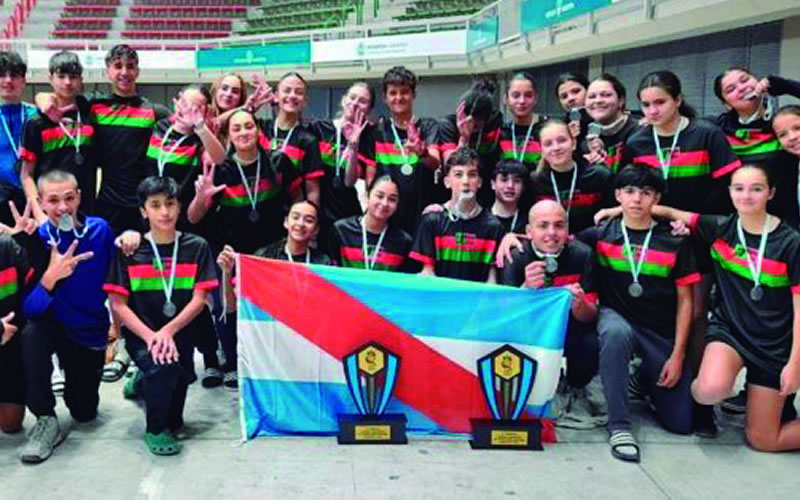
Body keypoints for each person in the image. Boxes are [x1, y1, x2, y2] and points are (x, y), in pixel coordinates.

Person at [652, 164, 800, 451]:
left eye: (756, 189)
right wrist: (614, 210)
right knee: (709, 390)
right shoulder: (721, 228)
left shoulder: (791, 244)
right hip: (730, 333)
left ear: (771, 193)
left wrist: (795, 364)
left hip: (775, 346)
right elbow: (667, 212)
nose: (746, 196)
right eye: (739, 188)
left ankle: (772, 406)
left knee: (763, 440)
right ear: (730, 192)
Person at [583, 165, 701, 463]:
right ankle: (619, 425)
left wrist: (677, 356)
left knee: (681, 423)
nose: (637, 199)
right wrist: (511, 238)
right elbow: (554, 240)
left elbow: (686, 303)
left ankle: (642, 379)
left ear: (656, 199)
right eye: (630, 191)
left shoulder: (675, 241)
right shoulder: (600, 234)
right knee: (615, 332)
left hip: (657, 330)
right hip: (615, 318)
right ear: (617, 195)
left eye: (646, 193)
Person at [105, 176, 218, 455]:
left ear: (179, 207)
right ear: (143, 211)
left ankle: (142, 382)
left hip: (180, 333)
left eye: (170, 203)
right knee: (162, 371)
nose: (164, 212)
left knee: (177, 412)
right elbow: (118, 304)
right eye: (155, 205)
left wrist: (169, 331)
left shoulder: (197, 246)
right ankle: (154, 429)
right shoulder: (129, 251)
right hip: (142, 334)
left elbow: (200, 299)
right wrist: (152, 337)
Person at [16, 170, 114, 464]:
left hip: (88, 330)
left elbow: (118, 282)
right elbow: (29, 310)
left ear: (79, 197)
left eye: (69, 198)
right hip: (53, 325)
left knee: (84, 412)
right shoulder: (38, 240)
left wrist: (130, 238)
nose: (63, 207)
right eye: (53, 200)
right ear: (41, 203)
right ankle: (44, 417)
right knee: (31, 334)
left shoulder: (100, 231)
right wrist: (49, 279)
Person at [501, 200, 600, 424]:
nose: (552, 233)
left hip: (569, 326)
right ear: (529, 231)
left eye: (559, 225)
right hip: (530, 328)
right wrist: (526, 289)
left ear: (568, 229)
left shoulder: (583, 255)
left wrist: (579, 304)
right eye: (543, 225)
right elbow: (508, 316)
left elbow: (590, 315)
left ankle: (576, 388)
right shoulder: (516, 256)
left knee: (589, 342)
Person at [216, 200, 330, 388]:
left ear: (316, 229)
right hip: (270, 344)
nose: (300, 224)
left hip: (308, 345)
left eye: (308, 220)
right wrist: (227, 274)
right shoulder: (263, 257)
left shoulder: (323, 263)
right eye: (295, 217)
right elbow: (231, 307)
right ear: (286, 222)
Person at [188, 109, 304, 255]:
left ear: (258, 131)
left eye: (249, 127)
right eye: (236, 129)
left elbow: (297, 197)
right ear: (229, 136)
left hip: (274, 250)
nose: (243, 133)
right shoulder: (220, 171)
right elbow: (193, 218)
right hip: (232, 253)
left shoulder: (279, 161)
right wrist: (201, 197)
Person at [713, 67, 800, 228]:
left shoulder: (784, 124)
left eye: (745, 80)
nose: (741, 88)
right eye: (731, 89)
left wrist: (787, 86)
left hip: (787, 224)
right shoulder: (717, 130)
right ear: (726, 104)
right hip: (740, 224)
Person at [21, 51, 95, 222]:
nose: (67, 82)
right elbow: (26, 175)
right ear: (50, 78)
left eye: (73, 77)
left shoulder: (89, 114)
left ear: (81, 79)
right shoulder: (36, 122)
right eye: (61, 76)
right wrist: (39, 213)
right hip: (50, 214)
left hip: (84, 213)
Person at [411, 147, 503, 283]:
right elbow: (428, 273)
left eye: (472, 175)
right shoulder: (432, 220)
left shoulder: (493, 226)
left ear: (479, 182)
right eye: (458, 175)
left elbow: (492, 279)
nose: (465, 181)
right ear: (447, 182)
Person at [369, 66, 441, 234]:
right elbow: (369, 178)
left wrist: (421, 152)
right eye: (393, 93)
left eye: (404, 92)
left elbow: (435, 163)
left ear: (414, 94)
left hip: (421, 213)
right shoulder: (377, 131)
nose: (399, 98)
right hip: (387, 215)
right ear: (384, 97)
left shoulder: (428, 126)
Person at [143, 85, 225, 222]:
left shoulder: (202, 139)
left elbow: (220, 159)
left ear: (205, 112)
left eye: (196, 108)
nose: (188, 110)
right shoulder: (159, 126)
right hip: (153, 212)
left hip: (183, 216)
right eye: (185, 103)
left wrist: (200, 126)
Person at [310, 81, 373, 253]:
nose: (355, 103)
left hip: (347, 214)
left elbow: (349, 181)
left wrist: (353, 146)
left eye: (362, 101)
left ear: (369, 109)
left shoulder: (368, 137)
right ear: (344, 100)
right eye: (352, 97)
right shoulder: (319, 129)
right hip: (320, 213)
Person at [530, 119, 613, 235]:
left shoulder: (599, 176)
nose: (556, 148)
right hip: (550, 241)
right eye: (548, 144)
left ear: (573, 143)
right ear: (541, 149)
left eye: (562, 140)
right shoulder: (535, 181)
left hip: (592, 242)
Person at [256, 72, 323, 206]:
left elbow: (312, 190)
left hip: (290, 211)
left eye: (298, 92)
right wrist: (253, 107)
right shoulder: (260, 128)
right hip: (257, 205)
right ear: (276, 95)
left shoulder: (308, 141)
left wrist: (310, 214)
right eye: (287, 90)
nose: (292, 95)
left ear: (305, 100)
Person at [329, 175, 415, 272]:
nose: (384, 203)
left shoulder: (403, 242)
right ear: (367, 196)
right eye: (379, 196)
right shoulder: (341, 231)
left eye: (392, 199)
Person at [439, 79, 503, 206]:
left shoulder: (495, 123)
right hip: (456, 193)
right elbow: (450, 165)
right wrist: (464, 138)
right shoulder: (448, 125)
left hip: (486, 191)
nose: (471, 123)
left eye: (478, 120)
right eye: (467, 116)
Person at [0, 204, 32, 435]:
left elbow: (38, 285)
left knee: (11, 424)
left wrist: (24, 240)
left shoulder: (7, 246)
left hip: (10, 347)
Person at [0, 51, 37, 228]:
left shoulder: (37, 115)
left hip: (34, 197)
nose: (8, 80)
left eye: (14, 75)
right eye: (2, 75)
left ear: (23, 80)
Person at [582, 73, 642, 173]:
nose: (598, 101)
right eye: (592, 97)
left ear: (621, 100)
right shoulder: (587, 139)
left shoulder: (640, 131)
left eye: (606, 95)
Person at [490, 159, 528, 235]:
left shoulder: (529, 222)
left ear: (523, 187)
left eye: (517, 181)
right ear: (493, 184)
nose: (510, 186)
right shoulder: (480, 219)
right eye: (504, 180)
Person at [555, 72, 591, 147]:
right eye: (564, 96)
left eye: (576, 91)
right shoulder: (559, 128)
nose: (570, 98)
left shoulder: (602, 120)